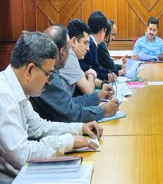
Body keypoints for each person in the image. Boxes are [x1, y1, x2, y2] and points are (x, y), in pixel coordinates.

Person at [0, 31, 103, 183]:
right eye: (48, 74)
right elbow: (22, 155)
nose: (49, 81)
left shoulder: (18, 90)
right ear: (30, 70)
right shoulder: (3, 95)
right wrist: (69, 141)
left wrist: (80, 128)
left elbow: (39, 127)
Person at [30, 25, 119, 123]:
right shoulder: (46, 73)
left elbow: (67, 103)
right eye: (69, 50)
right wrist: (103, 111)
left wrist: (98, 96)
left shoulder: (48, 68)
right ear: (62, 52)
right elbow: (69, 113)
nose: (70, 54)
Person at [59, 18, 97, 96]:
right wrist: (91, 74)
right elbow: (89, 92)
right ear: (73, 42)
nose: (88, 48)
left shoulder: (67, 53)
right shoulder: (69, 56)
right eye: (85, 43)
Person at [79, 11, 117, 81]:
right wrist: (106, 77)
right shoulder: (91, 44)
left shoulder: (92, 42)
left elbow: (96, 68)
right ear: (102, 31)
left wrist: (110, 73)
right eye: (105, 31)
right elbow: (92, 71)